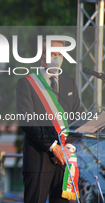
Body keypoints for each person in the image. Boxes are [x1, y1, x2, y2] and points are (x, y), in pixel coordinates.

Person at [16, 39, 82, 203]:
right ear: (42, 57)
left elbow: (78, 120)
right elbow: (26, 120)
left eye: (60, 54)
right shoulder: (27, 83)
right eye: (53, 54)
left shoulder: (69, 83)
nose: (57, 58)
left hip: (65, 161)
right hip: (39, 159)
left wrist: (66, 148)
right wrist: (54, 147)